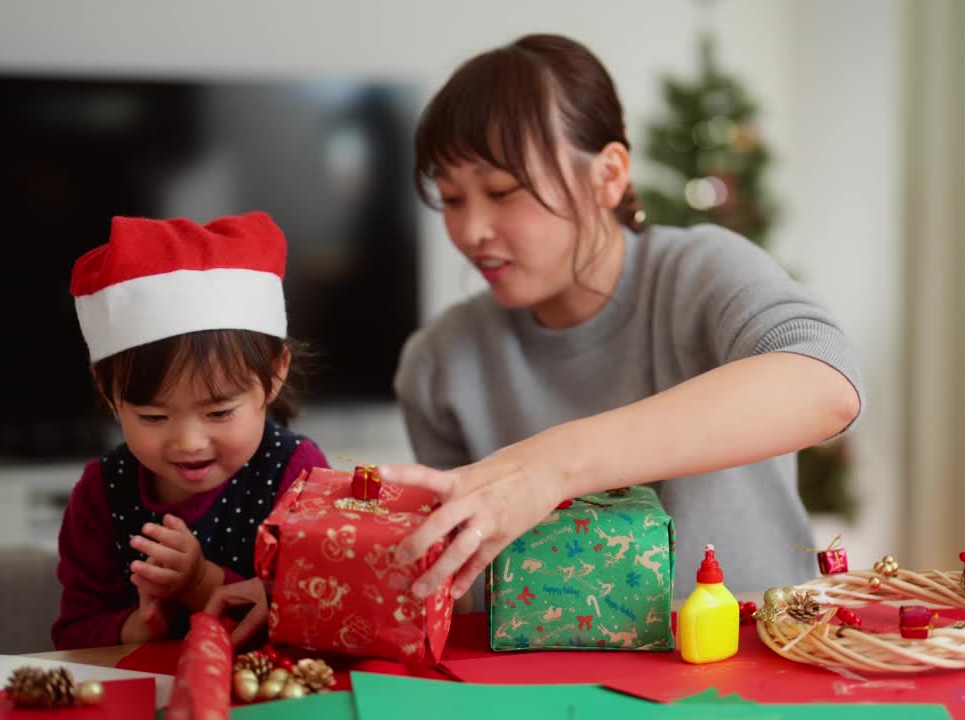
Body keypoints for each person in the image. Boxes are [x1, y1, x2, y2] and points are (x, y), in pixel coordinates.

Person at [379, 34, 865, 608]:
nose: (471, 231)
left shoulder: (702, 272)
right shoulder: (440, 361)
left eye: (502, 191)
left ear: (608, 176)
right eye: (453, 199)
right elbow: (456, 584)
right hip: (543, 680)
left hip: (755, 654)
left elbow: (826, 386)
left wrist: (554, 466)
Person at [51, 211, 328, 650]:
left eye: (219, 413)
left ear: (275, 374)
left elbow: (320, 617)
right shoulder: (101, 494)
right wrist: (143, 629)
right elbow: (74, 636)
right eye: (154, 418)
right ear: (107, 392)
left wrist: (201, 582)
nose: (188, 443)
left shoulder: (299, 475)